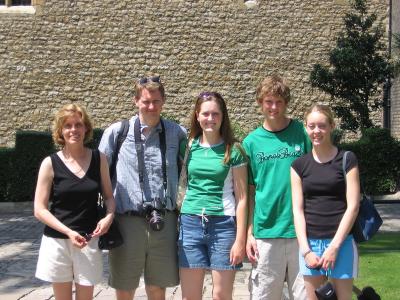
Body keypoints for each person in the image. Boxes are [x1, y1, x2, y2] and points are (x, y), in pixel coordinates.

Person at [98, 75, 187, 300]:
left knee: (158, 288)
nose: (151, 106)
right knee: (125, 287)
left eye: (156, 101)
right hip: (127, 221)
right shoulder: (117, 133)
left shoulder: (177, 133)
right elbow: (99, 174)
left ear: (163, 101)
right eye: (146, 101)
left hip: (164, 221)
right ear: (136, 100)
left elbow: (191, 170)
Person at [34, 103, 115, 300]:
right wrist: (68, 232)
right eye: (68, 126)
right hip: (57, 241)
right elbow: (39, 209)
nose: (73, 130)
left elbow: (109, 197)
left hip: (88, 239)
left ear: (86, 128)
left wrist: (109, 217)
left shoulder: (99, 159)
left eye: (78, 124)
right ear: (60, 131)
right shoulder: (50, 163)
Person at [242, 75, 311, 300]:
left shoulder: (302, 134)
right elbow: (249, 192)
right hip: (266, 232)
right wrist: (249, 233)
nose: (274, 107)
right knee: (264, 296)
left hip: (301, 231)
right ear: (260, 103)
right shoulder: (251, 142)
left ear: (286, 103)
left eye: (279, 102)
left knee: (305, 296)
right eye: (268, 101)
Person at [178, 92, 248, 300]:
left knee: (221, 295)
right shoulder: (188, 147)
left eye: (215, 114)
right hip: (190, 224)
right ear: (197, 116)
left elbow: (242, 198)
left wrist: (240, 240)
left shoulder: (233, 150)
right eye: (205, 114)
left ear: (223, 116)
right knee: (190, 295)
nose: (210, 119)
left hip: (223, 225)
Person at [290, 104, 360, 300]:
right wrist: (305, 251)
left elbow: (353, 206)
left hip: (342, 242)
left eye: (321, 126)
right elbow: (297, 209)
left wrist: (334, 247)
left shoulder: (347, 159)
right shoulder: (298, 166)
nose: (316, 131)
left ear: (331, 126)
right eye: (311, 126)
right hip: (310, 245)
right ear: (306, 127)